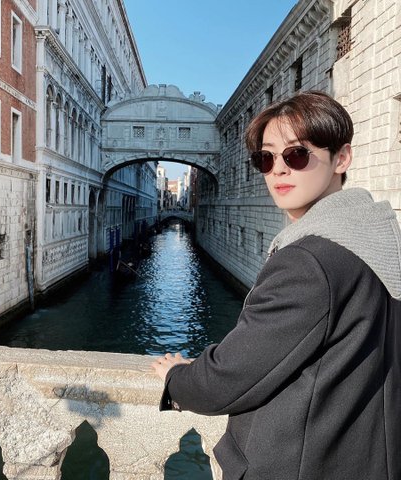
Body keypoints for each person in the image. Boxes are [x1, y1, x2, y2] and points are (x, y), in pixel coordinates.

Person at [152, 91, 401, 480]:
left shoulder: (307, 262)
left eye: (296, 155)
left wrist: (176, 378)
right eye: (265, 159)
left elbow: (223, 380)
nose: (278, 170)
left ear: (342, 158)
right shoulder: (378, 236)